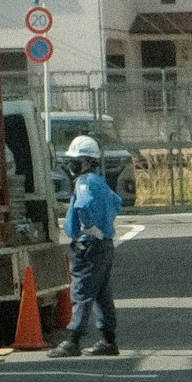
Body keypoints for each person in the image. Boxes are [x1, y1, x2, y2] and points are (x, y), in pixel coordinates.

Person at [60, 136, 123, 357]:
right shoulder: (99, 181)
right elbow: (117, 203)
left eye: (76, 160)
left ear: (87, 161)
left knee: (82, 291)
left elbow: (83, 205)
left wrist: (89, 228)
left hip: (89, 246)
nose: (71, 165)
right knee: (102, 294)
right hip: (104, 245)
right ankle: (108, 340)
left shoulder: (84, 182)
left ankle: (73, 340)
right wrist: (104, 227)